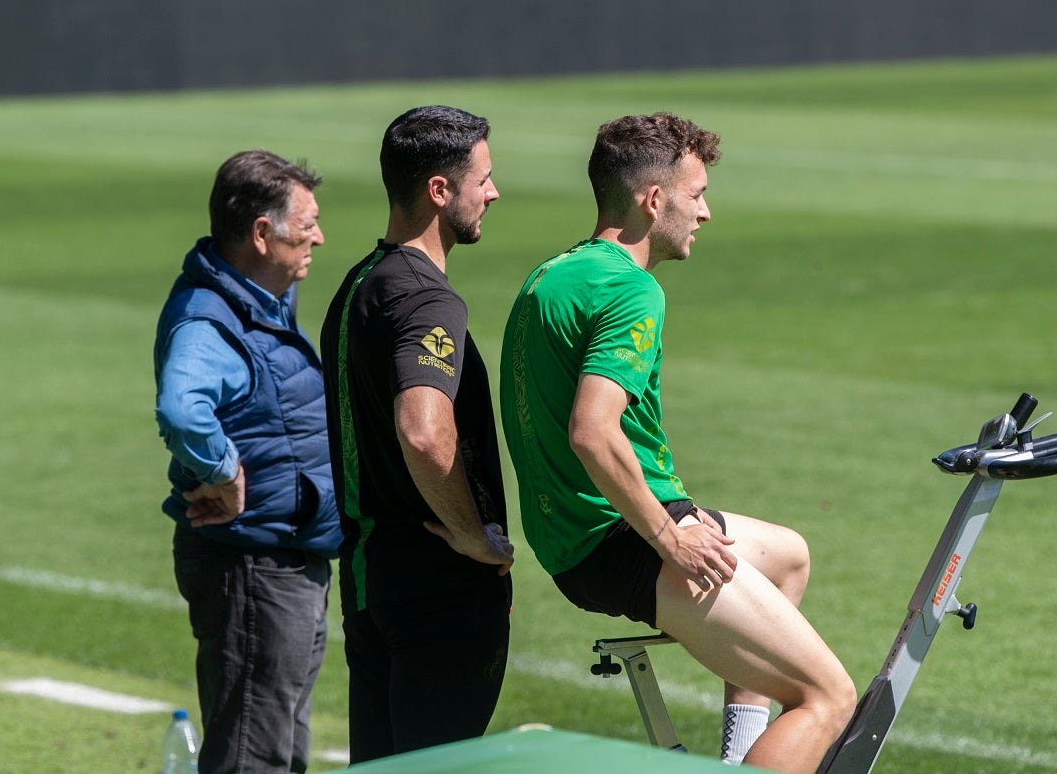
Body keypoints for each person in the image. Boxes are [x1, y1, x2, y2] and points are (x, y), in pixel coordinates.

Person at [500, 112, 857, 773]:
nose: (707, 212)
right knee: (828, 696)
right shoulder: (633, 289)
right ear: (654, 200)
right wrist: (670, 536)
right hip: (625, 538)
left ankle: (734, 758)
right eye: (696, 195)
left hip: (577, 539)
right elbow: (592, 429)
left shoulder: (551, 275)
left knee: (786, 557)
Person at [320, 105, 514, 763]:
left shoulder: (357, 286)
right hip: (441, 595)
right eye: (482, 179)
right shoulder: (427, 298)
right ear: (439, 189)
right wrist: (470, 533)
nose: (493, 192)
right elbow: (425, 433)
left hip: (373, 582)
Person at [153, 149, 342, 774]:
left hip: (284, 558)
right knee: (251, 758)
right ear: (263, 234)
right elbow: (183, 410)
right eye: (306, 222)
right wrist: (224, 474)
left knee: (281, 750)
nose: (319, 235)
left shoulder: (260, 299)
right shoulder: (209, 319)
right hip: (253, 567)